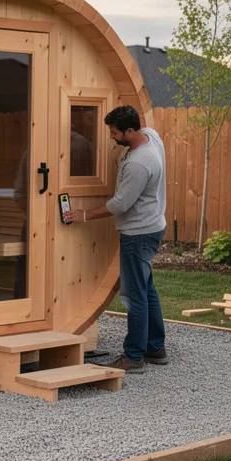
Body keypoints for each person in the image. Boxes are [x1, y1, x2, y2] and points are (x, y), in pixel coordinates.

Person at [65, 105, 167, 373]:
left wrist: (85, 215)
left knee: (134, 295)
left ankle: (134, 356)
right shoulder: (152, 136)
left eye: (114, 133)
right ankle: (155, 347)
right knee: (146, 289)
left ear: (130, 131)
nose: (111, 137)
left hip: (139, 233)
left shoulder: (138, 164)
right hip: (153, 226)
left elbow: (121, 203)